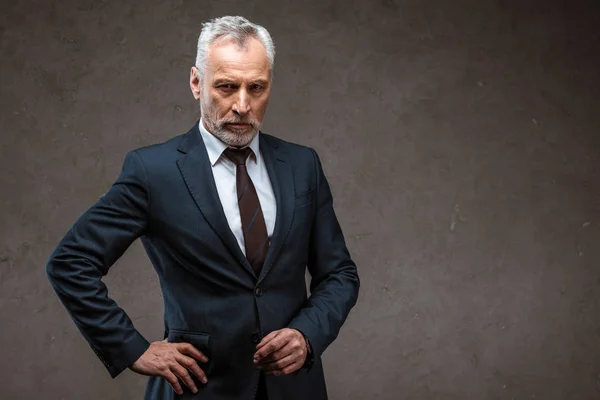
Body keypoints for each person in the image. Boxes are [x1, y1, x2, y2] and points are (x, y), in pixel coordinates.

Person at [46, 15, 359, 400]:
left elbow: (339, 273)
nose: (243, 105)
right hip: (197, 389)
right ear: (196, 83)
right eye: (227, 87)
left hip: (295, 389)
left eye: (256, 88)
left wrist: (308, 334)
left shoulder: (302, 165)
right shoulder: (153, 172)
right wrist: (133, 349)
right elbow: (70, 262)